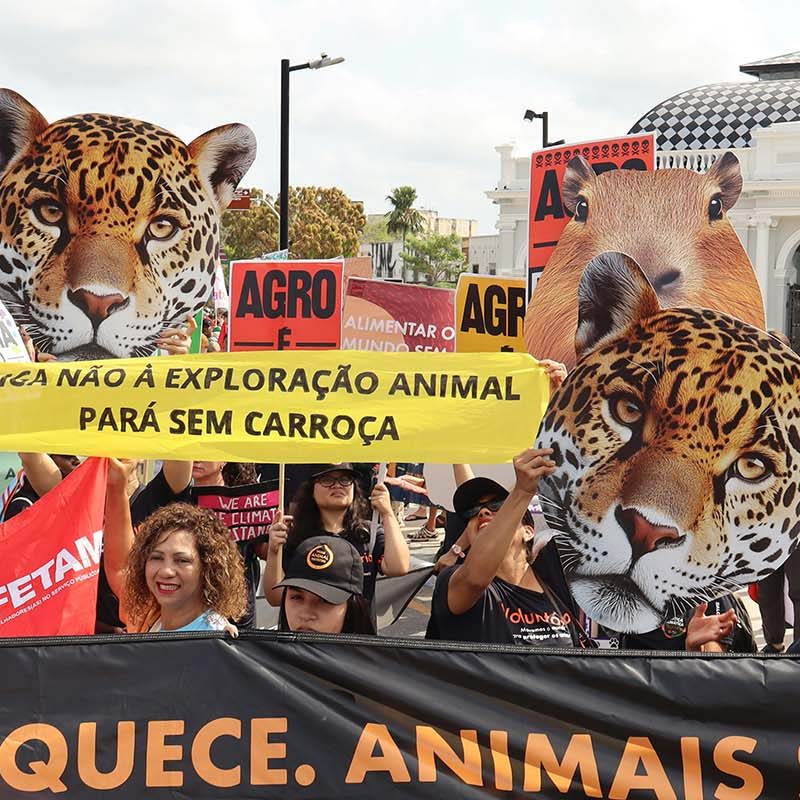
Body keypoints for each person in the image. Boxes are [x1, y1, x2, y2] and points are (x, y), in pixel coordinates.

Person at [427, 448, 586, 648]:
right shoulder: (454, 582)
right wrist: (522, 491)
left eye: (498, 507)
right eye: (474, 512)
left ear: (529, 532)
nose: (483, 511)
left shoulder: (554, 582)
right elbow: (475, 579)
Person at [104, 460, 246, 633]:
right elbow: (121, 567)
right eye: (156, 558)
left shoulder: (215, 639)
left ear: (208, 569)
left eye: (182, 560)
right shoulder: (148, 616)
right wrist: (116, 487)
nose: (166, 571)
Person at [263, 463, 410, 607]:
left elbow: (399, 567)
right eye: (327, 480)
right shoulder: (294, 535)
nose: (337, 485)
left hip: (358, 630)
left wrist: (387, 513)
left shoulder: (368, 533)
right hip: (307, 629)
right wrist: (274, 550)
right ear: (311, 490)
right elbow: (276, 598)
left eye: (345, 480)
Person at [191, 460, 267, 629]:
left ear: (223, 461)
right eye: (193, 452)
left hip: (238, 615)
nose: (197, 458)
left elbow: (264, 551)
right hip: (193, 613)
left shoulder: (242, 502)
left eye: (207, 453)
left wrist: (276, 534)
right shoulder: (182, 499)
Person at [275, 536, 375, 635]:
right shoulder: (265, 650)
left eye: (324, 600)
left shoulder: (376, 651)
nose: (306, 615)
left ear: (352, 608)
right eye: (297, 597)